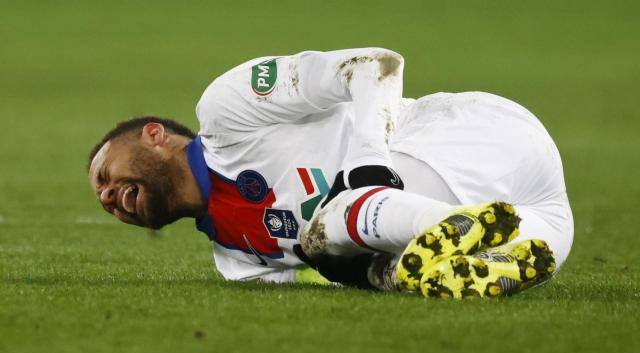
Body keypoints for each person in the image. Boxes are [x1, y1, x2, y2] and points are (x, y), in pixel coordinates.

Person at [88, 48, 573, 299]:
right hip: (543, 221)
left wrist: (366, 162)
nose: (109, 196)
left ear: (154, 135)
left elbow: (373, 63)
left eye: (107, 174)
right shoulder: (238, 262)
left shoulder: (226, 110)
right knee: (352, 262)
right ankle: (460, 256)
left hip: (473, 136)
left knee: (329, 225)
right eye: (102, 199)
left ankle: (441, 235)